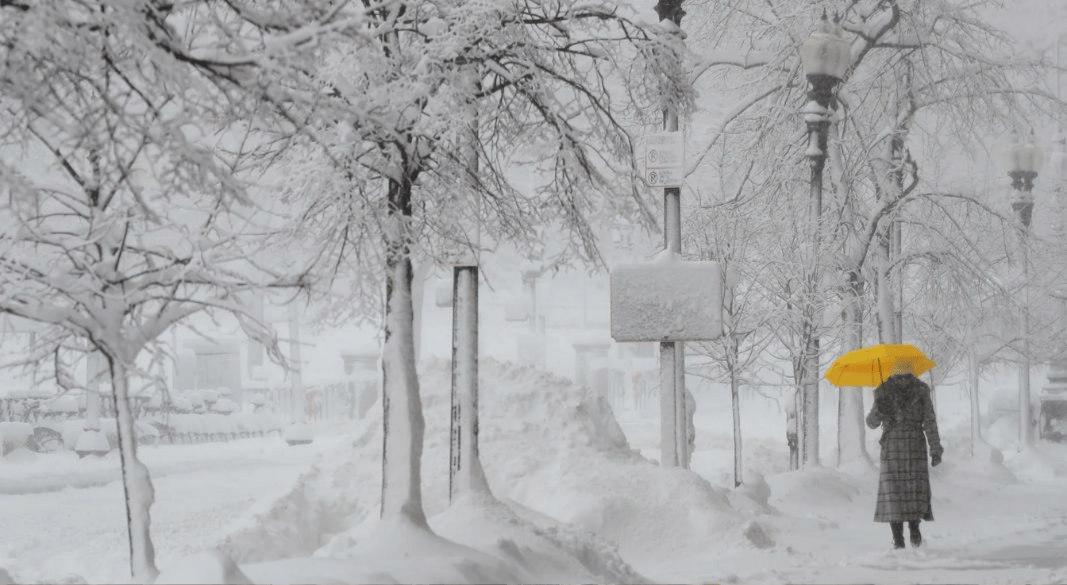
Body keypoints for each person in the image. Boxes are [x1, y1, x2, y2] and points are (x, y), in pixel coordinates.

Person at [866, 362, 944, 549]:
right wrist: (935, 448)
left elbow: (871, 423)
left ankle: (898, 539)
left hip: (892, 446)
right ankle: (915, 531)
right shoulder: (921, 390)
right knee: (913, 489)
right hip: (915, 445)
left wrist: (878, 405)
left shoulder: (883, 391)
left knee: (894, 492)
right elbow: (930, 422)